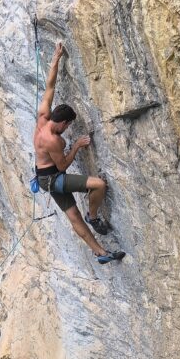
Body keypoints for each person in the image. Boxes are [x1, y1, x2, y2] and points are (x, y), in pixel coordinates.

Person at [33, 42, 125, 264]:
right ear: (63, 123)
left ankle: (101, 254)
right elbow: (62, 166)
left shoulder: (43, 116)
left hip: (43, 178)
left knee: (72, 217)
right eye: (68, 126)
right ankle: (92, 217)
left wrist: (56, 58)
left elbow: (50, 87)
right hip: (54, 178)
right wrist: (75, 146)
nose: (68, 129)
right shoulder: (53, 140)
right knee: (98, 185)